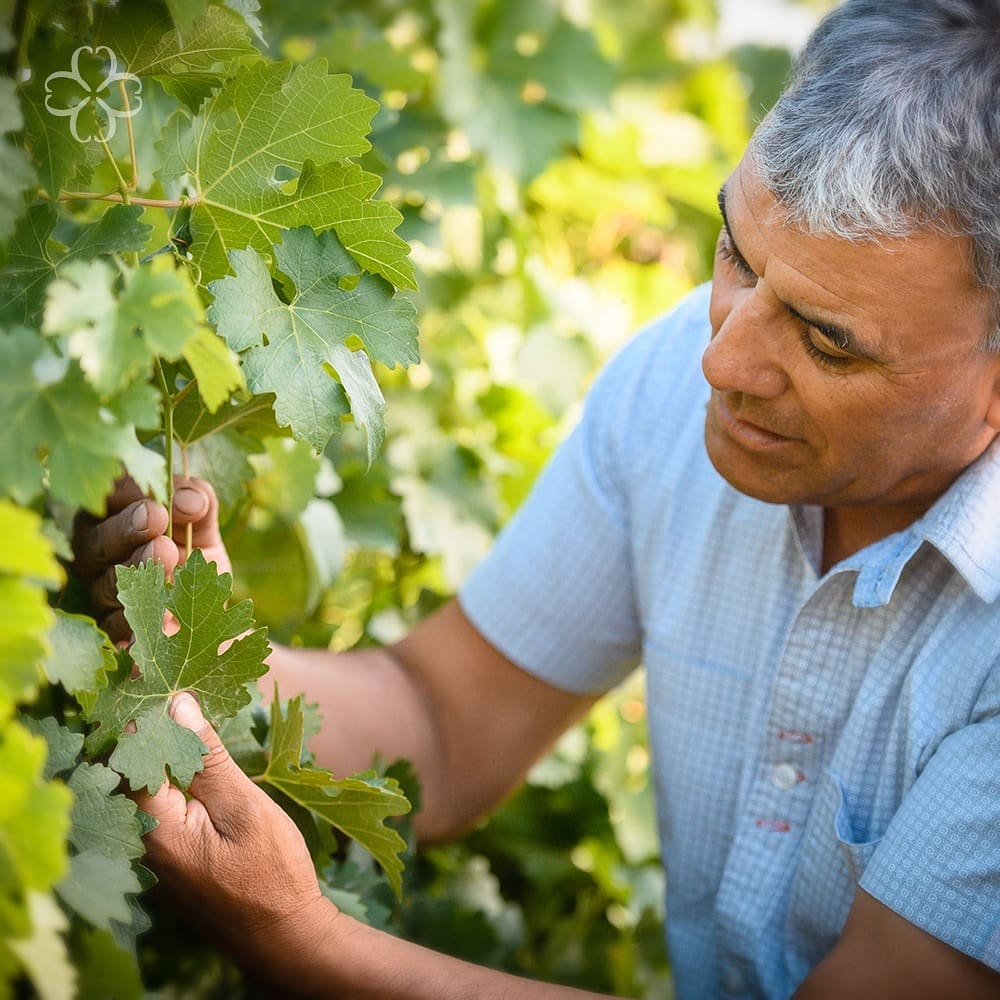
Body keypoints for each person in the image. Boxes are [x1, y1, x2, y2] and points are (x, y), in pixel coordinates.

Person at [73, 1, 1000, 997]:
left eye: (827, 343)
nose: (721, 358)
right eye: (734, 252)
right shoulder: (675, 390)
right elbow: (443, 722)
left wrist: (303, 941)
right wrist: (211, 655)